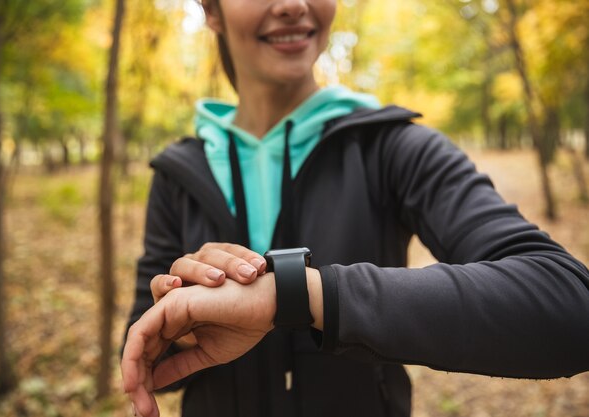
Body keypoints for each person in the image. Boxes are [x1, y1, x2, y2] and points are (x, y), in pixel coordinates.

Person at [121, 0, 589, 416]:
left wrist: (298, 295)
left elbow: (568, 304)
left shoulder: (394, 146)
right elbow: (144, 357)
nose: (292, 5)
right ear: (211, 9)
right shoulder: (177, 173)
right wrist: (186, 325)